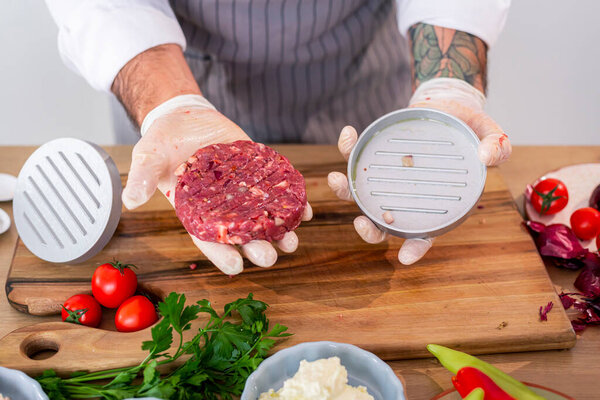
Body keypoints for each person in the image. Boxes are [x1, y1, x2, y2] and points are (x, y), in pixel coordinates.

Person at [45, 0, 512, 274]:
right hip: (180, 71)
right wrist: (170, 106)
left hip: (359, 75)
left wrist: (448, 84)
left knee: (380, 184)